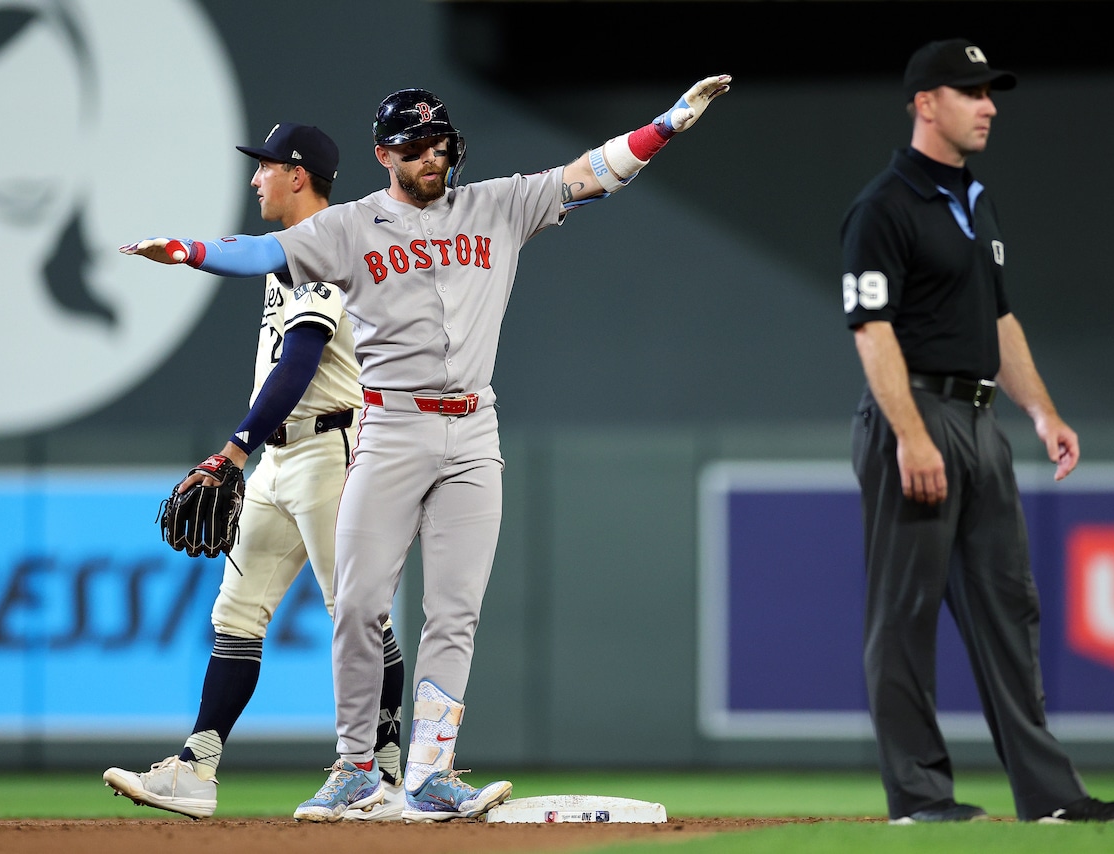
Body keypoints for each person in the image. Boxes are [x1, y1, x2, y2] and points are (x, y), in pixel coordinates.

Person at [121, 76, 733, 822]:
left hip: (474, 430)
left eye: (439, 142)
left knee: (454, 611)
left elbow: (591, 173)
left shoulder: (498, 204)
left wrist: (665, 125)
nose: (431, 156)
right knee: (357, 604)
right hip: (390, 427)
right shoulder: (349, 225)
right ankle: (356, 768)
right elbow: (257, 252)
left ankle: (431, 772)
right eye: (414, 147)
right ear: (385, 155)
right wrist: (187, 250)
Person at [840, 39, 1114, 825]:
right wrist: (910, 435)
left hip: (980, 420)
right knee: (904, 615)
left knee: (1010, 608)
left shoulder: (977, 201)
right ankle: (920, 796)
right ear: (924, 103)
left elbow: (999, 321)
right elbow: (872, 329)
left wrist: (1042, 411)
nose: (989, 106)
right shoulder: (884, 206)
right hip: (916, 415)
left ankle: (1051, 796)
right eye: (970, 91)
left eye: (989, 92)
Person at [104, 122, 407, 822]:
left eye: (265, 166)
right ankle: (195, 769)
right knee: (235, 615)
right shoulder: (287, 252)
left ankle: (387, 776)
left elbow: (300, 363)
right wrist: (185, 250)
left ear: (298, 175)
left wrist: (233, 452)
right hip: (280, 459)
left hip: (330, 453)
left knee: (357, 616)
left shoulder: (333, 246)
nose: (254, 178)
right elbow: (240, 251)